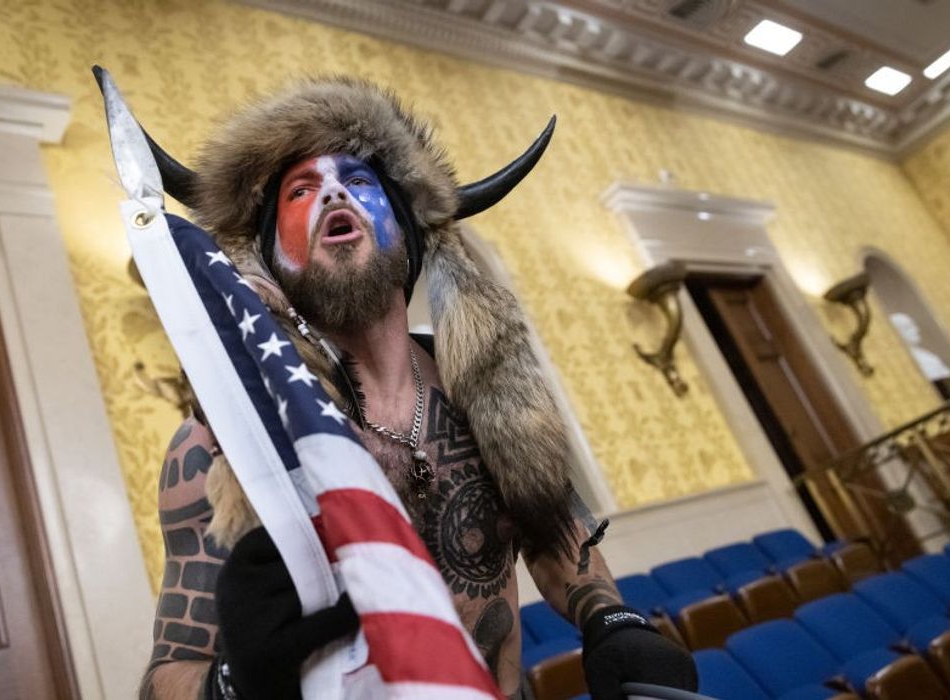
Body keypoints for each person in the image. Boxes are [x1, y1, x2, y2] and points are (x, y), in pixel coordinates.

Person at [134, 77, 698, 699]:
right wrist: (234, 683)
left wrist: (611, 622)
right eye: (301, 190)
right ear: (268, 253)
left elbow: (551, 533)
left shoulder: (491, 404)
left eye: (359, 182)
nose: (332, 195)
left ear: (406, 229)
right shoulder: (223, 445)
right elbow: (170, 669)